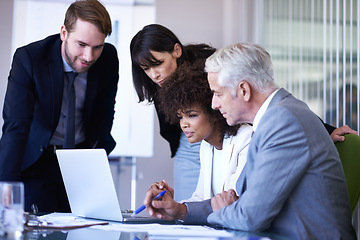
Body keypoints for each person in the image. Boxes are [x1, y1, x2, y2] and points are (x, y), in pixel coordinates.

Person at [143, 43, 356, 239]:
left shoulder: (282, 120)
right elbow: (240, 202)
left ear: (244, 90)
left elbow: (249, 216)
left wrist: (225, 211)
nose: (214, 104)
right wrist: (180, 211)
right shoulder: (273, 118)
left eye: (218, 94)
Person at [0, 0, 119, 213]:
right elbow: (16, 126)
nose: (88, 57)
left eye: (97, 47)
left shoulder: (108, 58)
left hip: (82, 161)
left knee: (89, 229)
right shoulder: (29, 59)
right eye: (81, 45)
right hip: (39, 160)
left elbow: (105, 113)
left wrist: (97, 154)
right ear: (64, 32)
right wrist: (5, 187)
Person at [130, 24, 216, 201]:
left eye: (158, 64)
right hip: (188, 147)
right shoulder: (158, 83)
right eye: (146, 69)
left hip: (223, 141)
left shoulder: (211, 67)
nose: (154, 75)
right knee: (188, 210)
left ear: (176, 50)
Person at [153, 60, 252, 202]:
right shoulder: (206, 145)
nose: (184, 124)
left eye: (192, 115)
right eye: (180, 117)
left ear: (214, 110)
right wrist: (171, 204)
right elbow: (200, 199)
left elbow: (232, 203)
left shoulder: (246, 138)